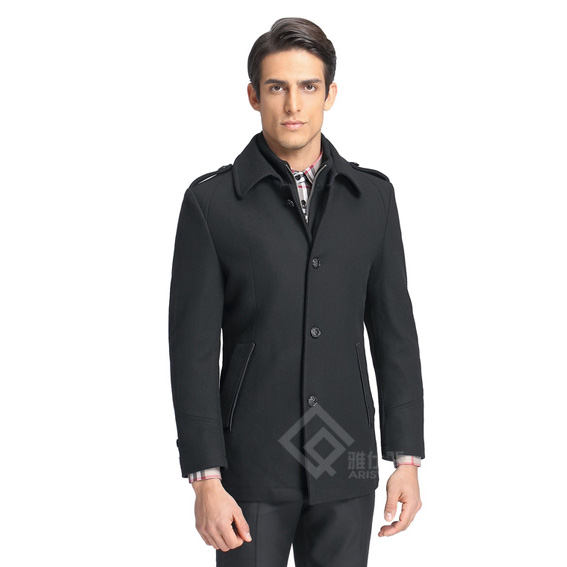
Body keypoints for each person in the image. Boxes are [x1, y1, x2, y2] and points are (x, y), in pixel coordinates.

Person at [168, 17, 425, 567]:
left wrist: (405, 459)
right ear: (253, 96)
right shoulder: (212, 204)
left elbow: (395, 336)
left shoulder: (372, 199)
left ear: (329, 95)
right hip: (250, 467)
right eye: (276, 87)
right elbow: (191, 352)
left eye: (308, 86)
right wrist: (205, 478)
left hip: (347, 462)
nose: (293, 104)